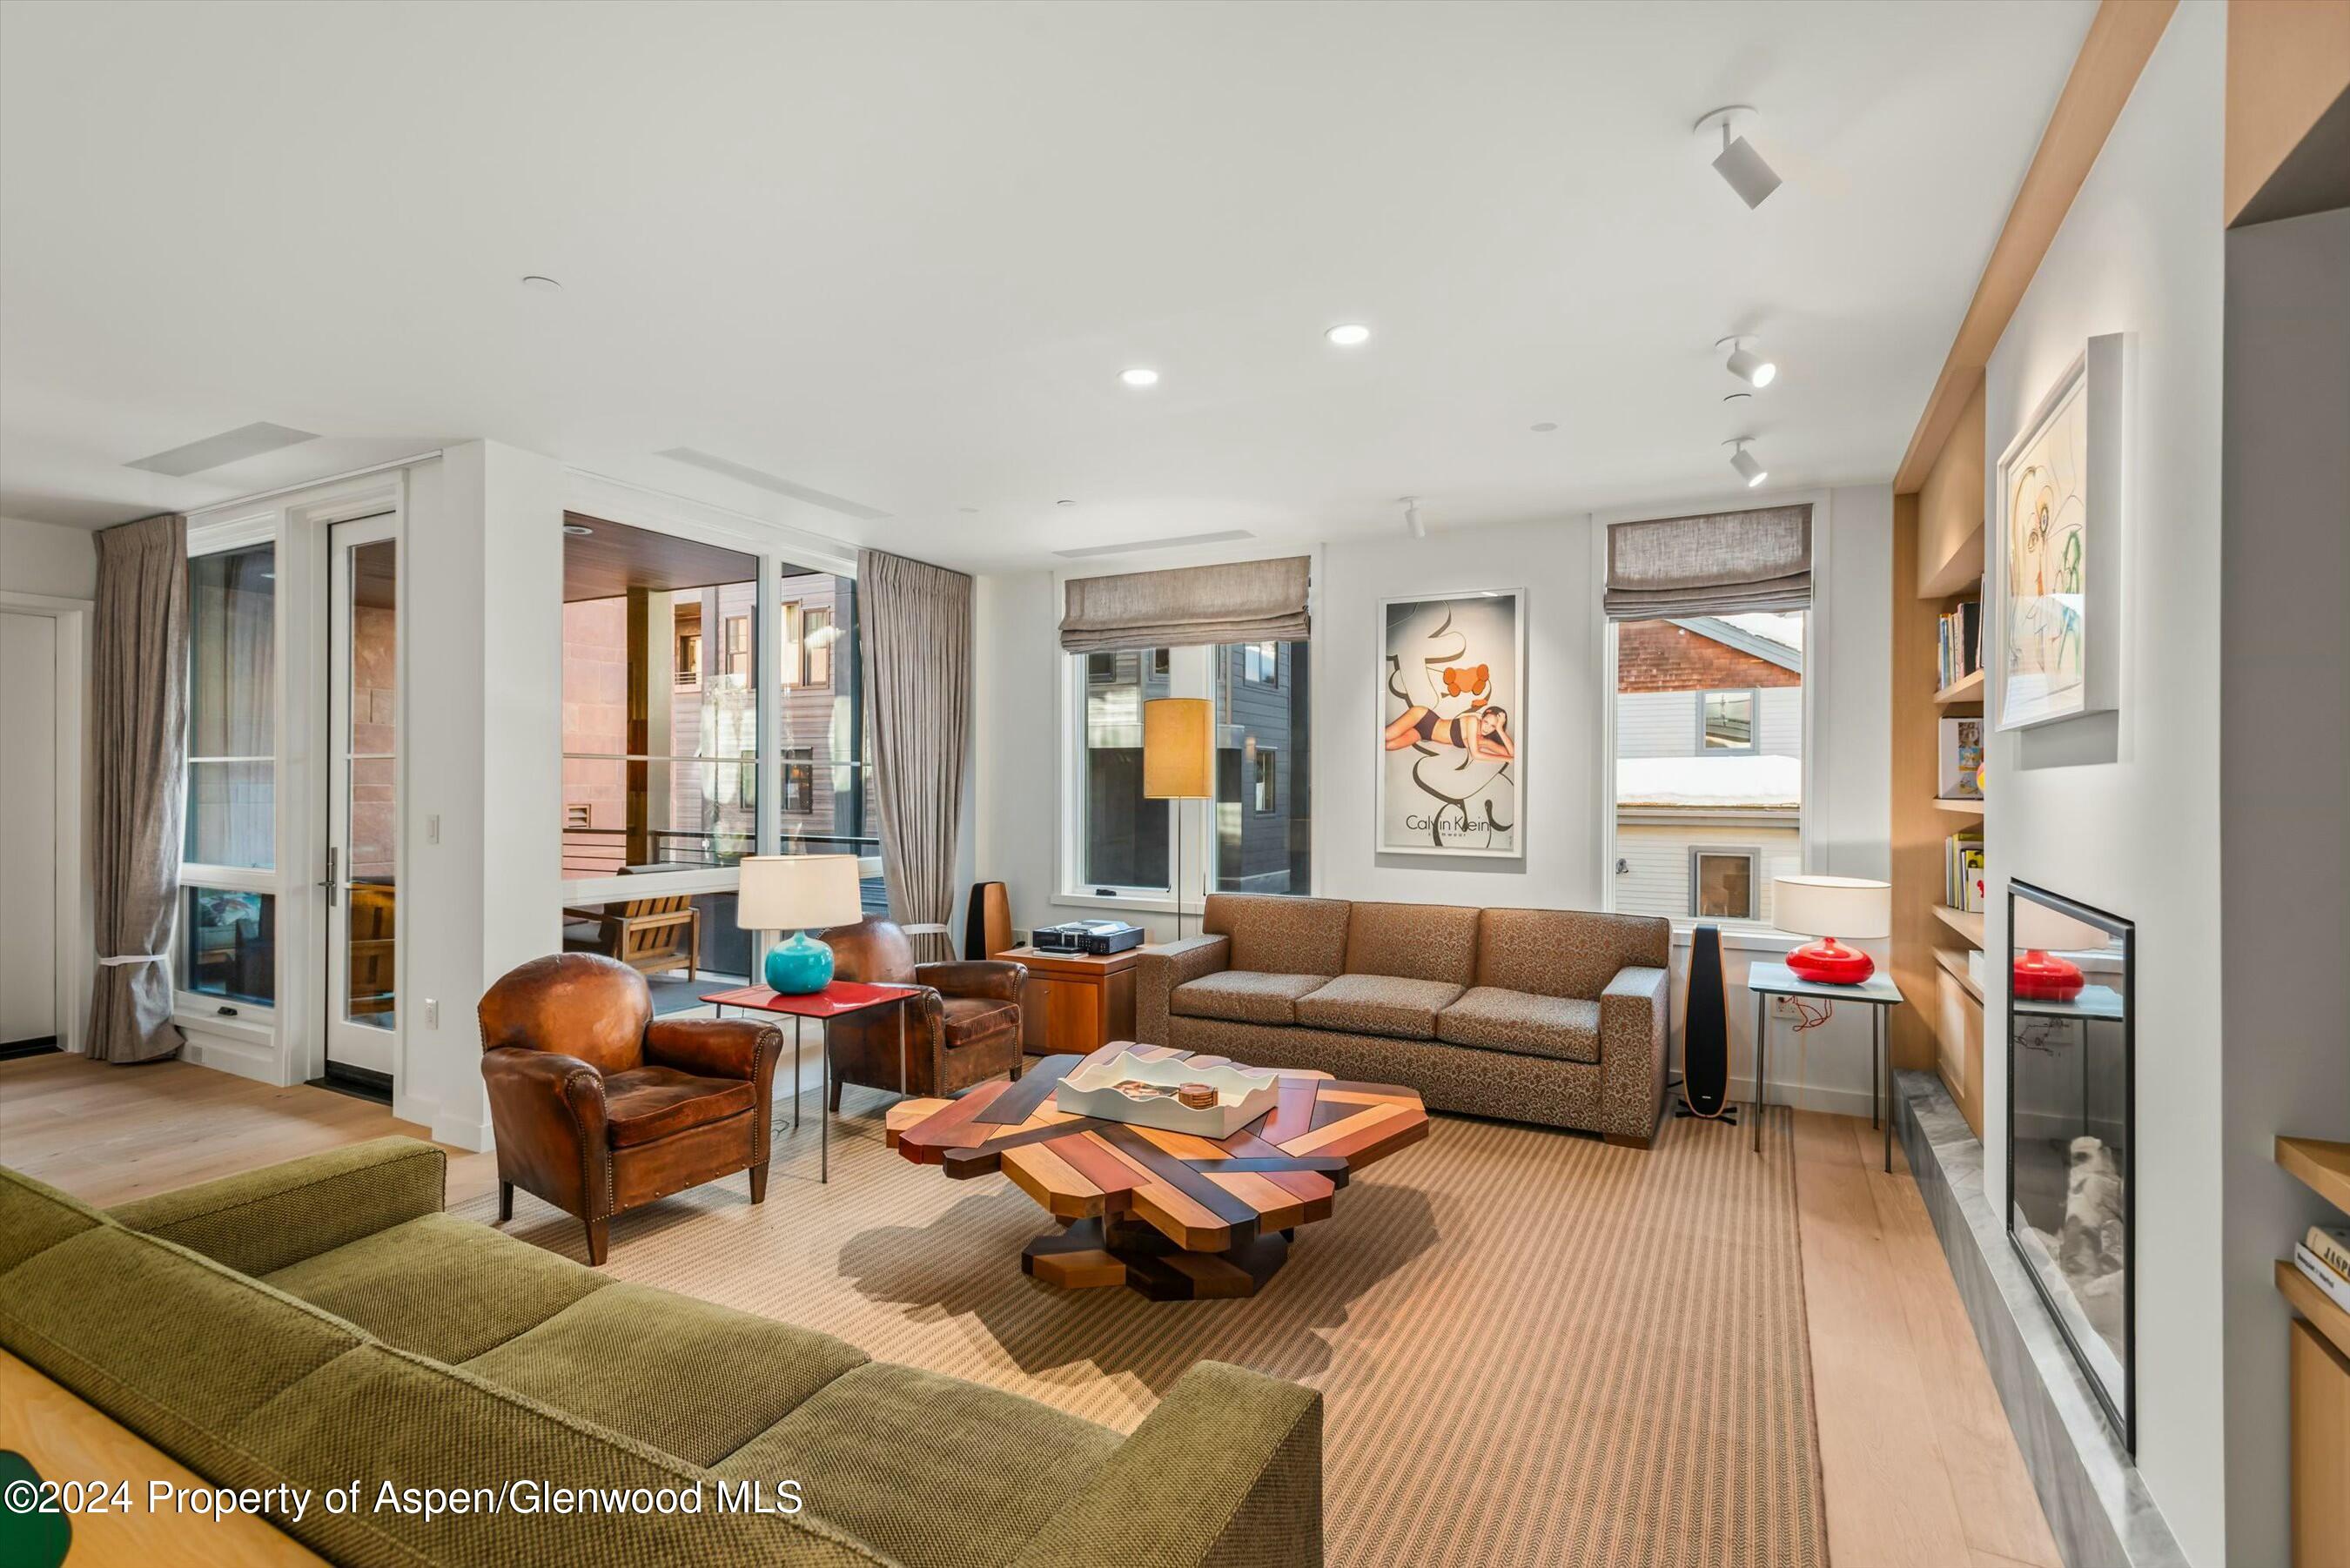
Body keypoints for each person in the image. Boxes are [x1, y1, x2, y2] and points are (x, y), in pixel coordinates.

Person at [1382, 703, 1514, 762]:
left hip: (1422, 734)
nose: (1487, 728)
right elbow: (1476, 754)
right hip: (1423, 717)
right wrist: (1507, 760)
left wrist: (1500, 729)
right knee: (1386, 735)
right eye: (1486, 722)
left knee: (1388, 746)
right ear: (1482, 718)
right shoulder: (1473, 721)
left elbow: (1513, 753)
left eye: (1493, 726)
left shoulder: (1484, 741)